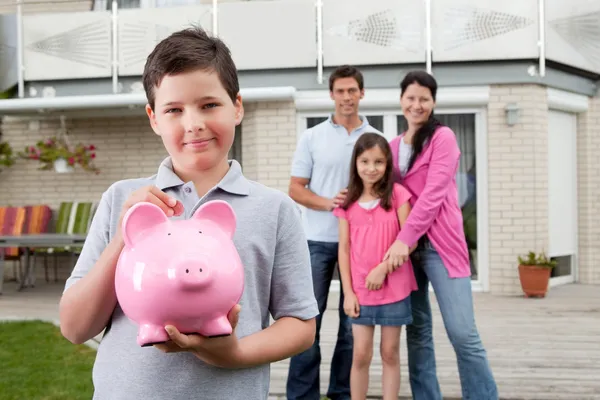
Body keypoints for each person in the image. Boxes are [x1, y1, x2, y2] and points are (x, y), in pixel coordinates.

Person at [58, 26, 319, 400]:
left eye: (209, 105)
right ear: (153, 118)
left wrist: (232, 354)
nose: (193, 123)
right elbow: (74, 327)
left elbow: (300, 324)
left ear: (237, 106)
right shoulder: (121, 200)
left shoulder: (274, 209)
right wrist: (123, 238)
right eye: (174, 110)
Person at [335, 70, 498, 400]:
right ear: (401, 101)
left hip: (438, 248)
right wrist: (347, 195)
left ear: (433, 102)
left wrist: (402, 241)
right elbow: (382, 189)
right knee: (418, 332)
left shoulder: (444, 139)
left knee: (462, 332)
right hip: (405, 256)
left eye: (424, 98)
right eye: (410, 97)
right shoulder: (393, 146)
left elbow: (433, 195)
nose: (417, 104)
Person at [286, 65, 383, 400]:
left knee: (350, 327)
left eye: (352, 90)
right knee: (306, 324)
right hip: (315, 242)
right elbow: (295, 189)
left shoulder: (374, 140)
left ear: (361, 93)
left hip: (360, 247)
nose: (346, 97)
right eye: (340, 91)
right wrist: (330, 204)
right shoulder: (312, 137)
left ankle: (342, 392)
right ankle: (302, 396)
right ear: (332, 94)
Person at [333, 133, 418, 400]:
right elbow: (344, 249)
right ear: (355, 163)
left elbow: (409, 241)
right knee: (360, 354)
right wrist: (348, 292)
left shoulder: (398, 195)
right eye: (365, 161)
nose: (371, 168)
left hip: (395, 288)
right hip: (360, 291)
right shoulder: (347, 203)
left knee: (390, 352)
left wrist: (384, 268)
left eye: (379, 162)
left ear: (388, 165)